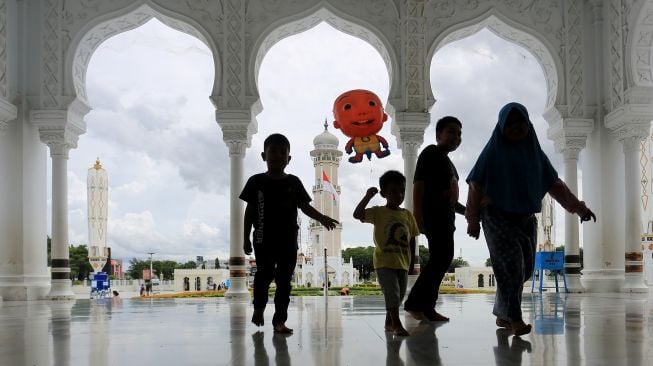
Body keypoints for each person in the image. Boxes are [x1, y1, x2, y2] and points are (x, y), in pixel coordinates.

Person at [465, 102, 596, 336]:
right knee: (511, 267)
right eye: (510, 124)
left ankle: (502, 313)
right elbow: (475, 184)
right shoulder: (493, 152)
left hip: (525, 217)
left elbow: (555, 185)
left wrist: (578, 208)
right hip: (496, 216)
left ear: (529, 124)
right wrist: (473, 219)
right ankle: (515, 318)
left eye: (520, 123)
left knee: (524, 270)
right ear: (501, 126)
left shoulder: (535, 154)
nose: (516, 128)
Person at [241, 133, 339, 334]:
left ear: (289, 158)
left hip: (287, 240)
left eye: (282, 152)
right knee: (264, 276)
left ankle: (279, 321)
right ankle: (259, 308)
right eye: (273, 152)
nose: (277, 156)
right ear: (264, 156)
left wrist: (322, 217)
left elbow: (304, 206)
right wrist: (245, 238)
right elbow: (250, 211)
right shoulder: (256, 181)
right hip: (262, 239)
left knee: (284, 281)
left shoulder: (293, 182)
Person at [403, 116, 465, 322]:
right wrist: (417, 217)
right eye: (451, 131)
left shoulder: (449, 163)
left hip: (446, 218)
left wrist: (471, 213)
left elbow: (452, 200)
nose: (456, 136)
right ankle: (414, 304)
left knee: (442, 260)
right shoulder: (431, 153)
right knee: (440, 259)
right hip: (433, 217)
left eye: (459, 133)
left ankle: (427, 307)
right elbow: (418, 185)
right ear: (439, 135)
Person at [354, 170, 419, 336]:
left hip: (402, 262)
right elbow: (357, 214)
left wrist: (412, 263)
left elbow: (412, 239)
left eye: (402, 191)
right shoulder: (378, 212)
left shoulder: (407, 215)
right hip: (383, 262)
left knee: (399, 296)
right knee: (392, 293)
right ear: (384, 193)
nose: (399, 195)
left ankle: (389, 322)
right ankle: (396, 324)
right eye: (394, 191)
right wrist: (368, 196)